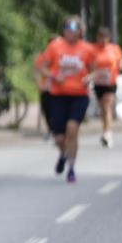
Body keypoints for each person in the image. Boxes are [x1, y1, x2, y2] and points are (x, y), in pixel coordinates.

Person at [37, 16, 95, 183]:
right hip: (58, 95)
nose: (70, 33)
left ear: (80, 32)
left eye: (74, 30)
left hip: (79, 95)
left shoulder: (87, 49)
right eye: (68, 30)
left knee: (72, 129)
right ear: (64, 31)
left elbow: (95, 70)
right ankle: (63, 153)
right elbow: (42, 67)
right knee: (59, 138)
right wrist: (54, 76)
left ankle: (71, 168)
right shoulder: (55, 46)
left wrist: (89, 77)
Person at [91, 27, 122, 148]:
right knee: (102, 108)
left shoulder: (114, 49)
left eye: (105, 38)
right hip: (98, 82)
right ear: (97, 38)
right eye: (101, 38)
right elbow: (89, 64)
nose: (103, 41)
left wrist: (119, 66)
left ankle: (108, 133)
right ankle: (105, 130)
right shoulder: (93, 49)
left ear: (109, 38)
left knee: (107, 107)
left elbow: (121, 62)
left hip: (110, 81)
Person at [33, 46, 54, 138]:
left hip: (59, 89)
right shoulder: (43, 56)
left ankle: (58, 130)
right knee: (46, 109)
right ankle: (51, 129)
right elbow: (37, 71)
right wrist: (39, 85)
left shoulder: (63, 55)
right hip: (46, 88)